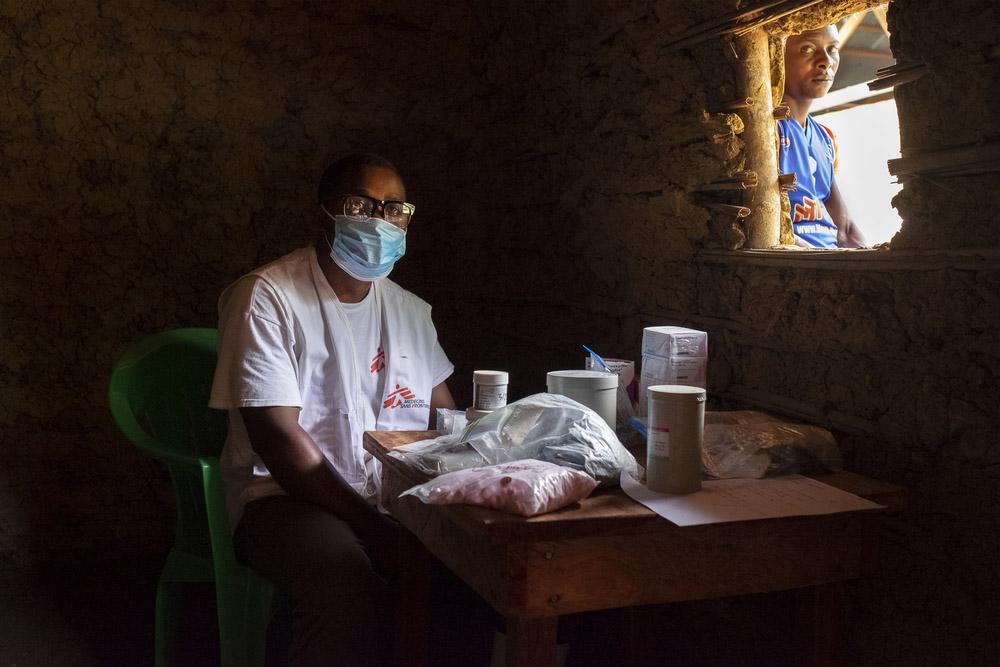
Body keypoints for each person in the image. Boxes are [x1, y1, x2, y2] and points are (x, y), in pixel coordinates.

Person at [209, 153, 456, 666]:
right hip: (284, 500)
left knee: (474, 576)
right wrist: (373, 529)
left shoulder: (410, 311)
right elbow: (278, 441)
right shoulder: (267, 299)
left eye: (395, 209)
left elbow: (445, 423)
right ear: (324, 213)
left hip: (388, 495)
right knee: (343, 577)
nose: (380, 222)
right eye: (360, 205)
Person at [778, 24, 866, 248]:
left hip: (830, 258)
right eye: (807, 49)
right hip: (799, 261)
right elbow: (771, 233)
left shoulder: (825, 138)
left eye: (832, 49)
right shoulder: (768, 133)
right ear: (775, 57)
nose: (825, 61)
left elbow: (845, 231)